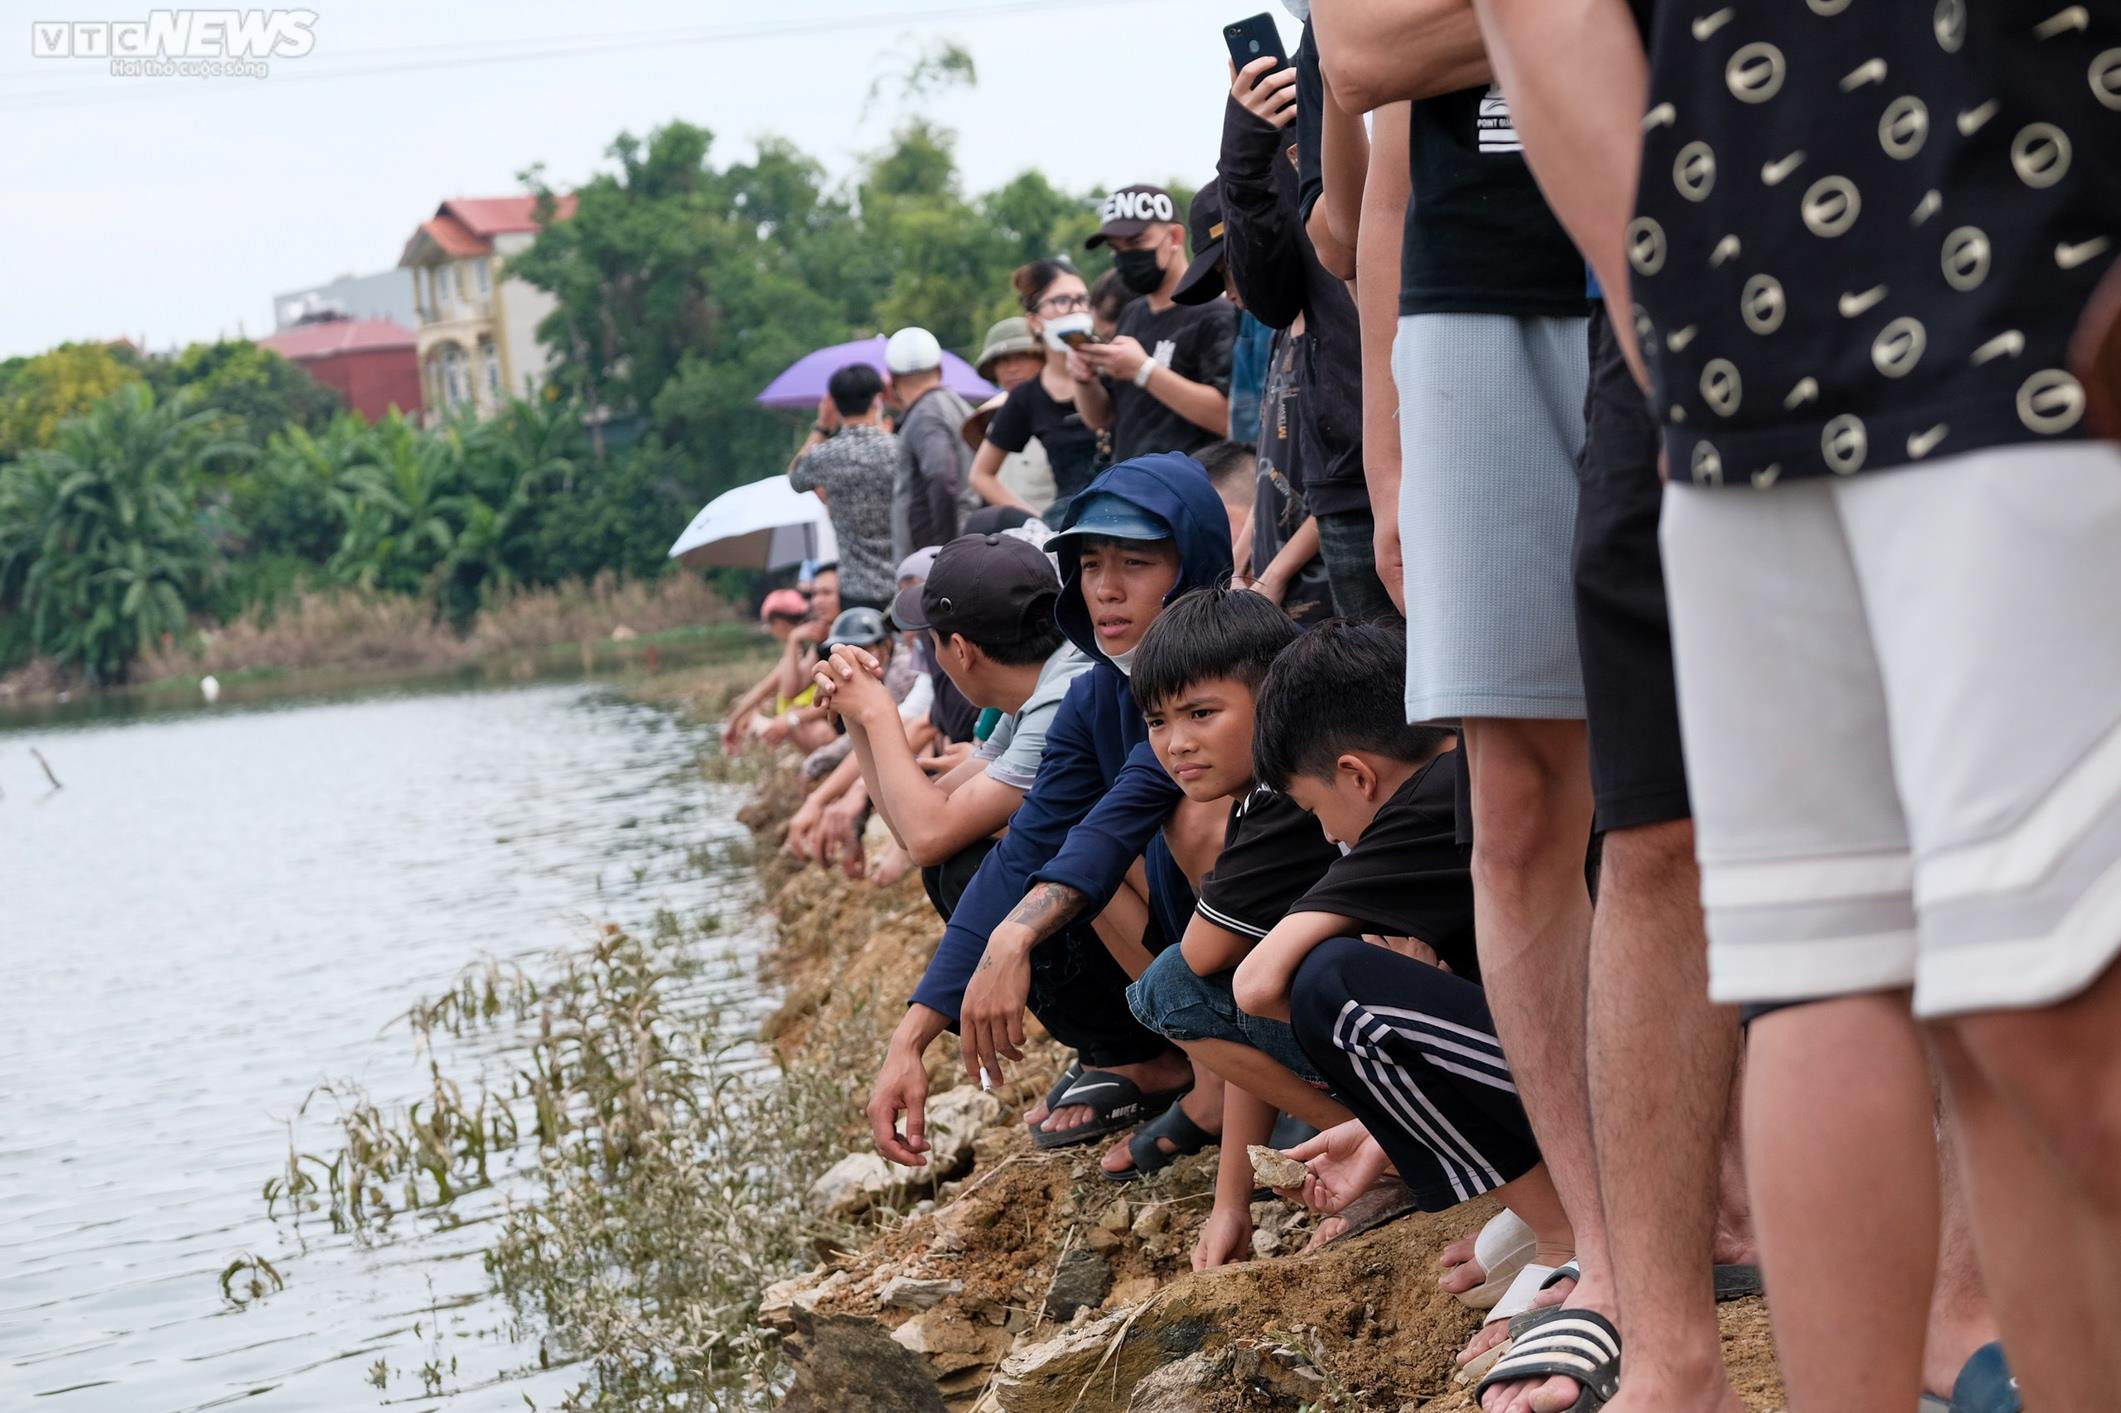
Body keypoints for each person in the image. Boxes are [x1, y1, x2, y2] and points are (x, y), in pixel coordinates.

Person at [1475, 5, 2121, 1412]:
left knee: (1882, 968)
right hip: (1996, 252)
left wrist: (1681, 322)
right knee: (1997, 982)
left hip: (1756, 285)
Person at [1311, 11, 1612, 1411]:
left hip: (1713, 253)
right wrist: (1384, 455)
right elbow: (1368, 66)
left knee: (1699, 795)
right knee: (1522, 804)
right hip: (1478, 296)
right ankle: (1594, 1245)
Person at [866, 452, 1233, 1168]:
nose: (1106, 589)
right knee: (1066, 855)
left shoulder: (1245, 659)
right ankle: (1209, 1068)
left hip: (1297, 937)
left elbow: (1120, 815)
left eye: (1135, 563)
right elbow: (1026, 850)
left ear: (1191, 563)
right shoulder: (1099, 692)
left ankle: (1236, 1075)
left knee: (1181, 827)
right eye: (1091, 565)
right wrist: (907, 1037)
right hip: (1208, 940)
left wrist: (1015, 939)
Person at [1228, 620, 1576, 1359]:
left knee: (1334, 987)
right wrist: (1383, 1127)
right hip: (1650, 1044)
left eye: (1316, 809)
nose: (1326, 836)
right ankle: (1561, 1205)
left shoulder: (1429, 799)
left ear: (1357, 775)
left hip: (1628, 1071)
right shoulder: (1479, 763)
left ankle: (1566, 1232)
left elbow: (1257, 984)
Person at [1114, 591, 1359, 1215]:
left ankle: (1384, 1147)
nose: (1176, 745)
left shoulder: (1282, 797)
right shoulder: (1268, 791)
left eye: (1201, 713)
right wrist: (1231, 1204)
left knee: (1166, 988)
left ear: (1273, 695)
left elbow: (1202, 960)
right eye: (1158, 721)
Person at [1222, 41, 1394, 621]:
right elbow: (1270, 296)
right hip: (1348, 474)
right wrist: (1244, 145)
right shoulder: (1311, 72)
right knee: (1377, 699)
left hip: (1457, 433)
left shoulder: (1427, 42)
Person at [1072, 185, 1238, 461]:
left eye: (1136, 242)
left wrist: (1145, 371)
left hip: (1191, 488)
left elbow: (1230, 418)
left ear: (1174, 236)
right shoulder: (1132, 314)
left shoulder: (1215, 313)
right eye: (1115, 248)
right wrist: (1084, 379)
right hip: (1130, 483)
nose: (1125, 256)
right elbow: (1104, 418)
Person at [972, 262, 1102, 522]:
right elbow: (980, 475)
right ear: (1034, 320)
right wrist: (1039, 523)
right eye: (1062, 300)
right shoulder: (1027, 397)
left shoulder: (1114, 367)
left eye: (1082, 300)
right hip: (1073, 522)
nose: (1075, 309)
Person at [789, 368, 898, 616]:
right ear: (877, 400)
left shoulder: (824, 456)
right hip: (904, 582)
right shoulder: (899, 449)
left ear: (834, 406)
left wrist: (821, 427)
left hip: (855, 590)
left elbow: (795, 479)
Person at [884, 327, 977, 562]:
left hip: (934, 556)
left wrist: (942, 552)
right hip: (967, 539)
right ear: (939, 369)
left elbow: (941, 477)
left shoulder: (925, 415)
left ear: (892, 379)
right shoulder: (958, 406)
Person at [964, 316, 1057, 515]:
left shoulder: (1064, 412)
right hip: (1011, 535)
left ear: (1043, 358)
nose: (1011, 368)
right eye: (1001, 361)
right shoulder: (993, 421)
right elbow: (981, 480)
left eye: (1022, 357)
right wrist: (1033, 524)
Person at [719, 588, 818, 756]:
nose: (770, 630)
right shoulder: (802, 653)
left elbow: (763, 691)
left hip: (814, 729)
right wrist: (734, 720)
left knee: (753, 720)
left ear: (779, 623)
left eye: (769, 624)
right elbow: (760, 692)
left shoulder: (801, 657)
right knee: (750, 715)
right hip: (800, 723)